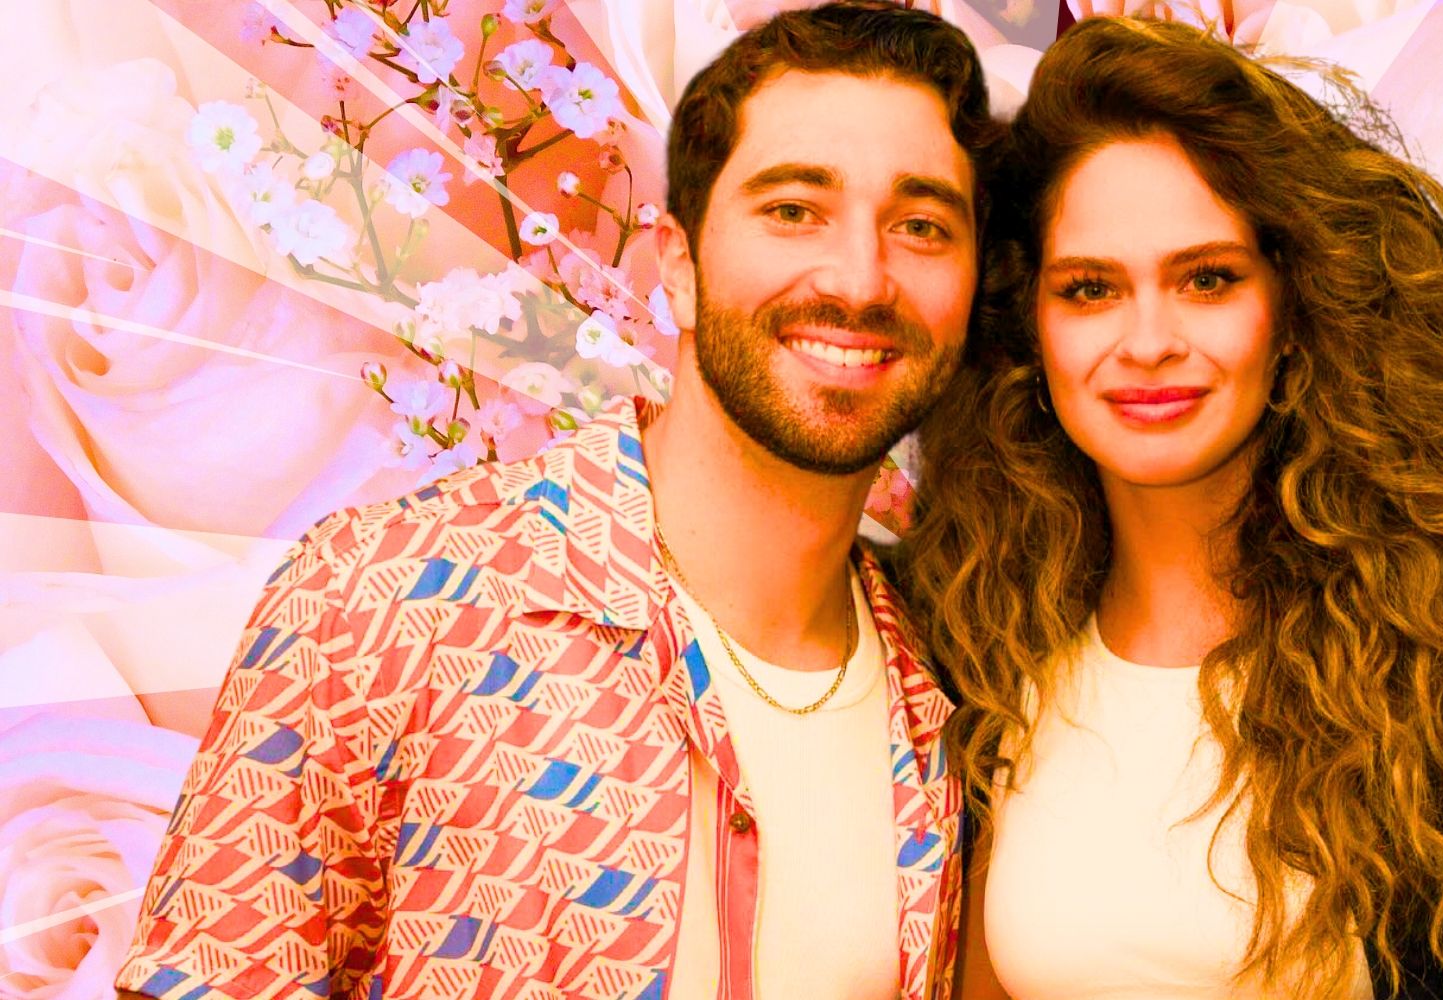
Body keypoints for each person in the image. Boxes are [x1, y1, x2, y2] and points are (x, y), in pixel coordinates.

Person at [114, 3, 994, 997]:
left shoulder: (949, 700)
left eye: (920, 226)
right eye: (793, 209)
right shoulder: (386, 597)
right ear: (679, 267)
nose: (859, 277)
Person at [900, 16, 1443, 1000]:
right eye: (1090, 289)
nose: (1145, 340)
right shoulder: (981, 666)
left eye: (1207, 279)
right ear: (1027, 322)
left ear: (1295, 300)